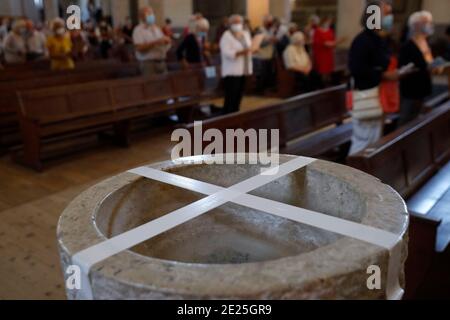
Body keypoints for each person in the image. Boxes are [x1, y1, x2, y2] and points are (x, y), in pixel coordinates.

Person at [348, 0, 398, 155]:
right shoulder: (363, 40)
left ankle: (364, 176)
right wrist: (382, 74)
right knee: (363, 142)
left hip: (377, 96)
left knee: (373, 142)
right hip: (366, 96)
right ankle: (350, 176)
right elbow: (357, 69)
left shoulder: (377, 39)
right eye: (386, 14)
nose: (389, 18)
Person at [398, 11, 443, 126]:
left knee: (416, 122)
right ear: (417, 25)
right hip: (410, 91)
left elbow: (429, 63)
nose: (431, 25)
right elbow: (403, 69)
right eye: (427, 22)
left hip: (423, 89)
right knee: (405, 122)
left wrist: (436, 67)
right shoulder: (407, 46)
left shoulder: (425, 42)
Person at [220, 14, 253, 114]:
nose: (237, 24)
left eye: (239, 22)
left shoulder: (245, 34)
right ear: (230, 24)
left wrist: (253, 49)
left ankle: (236, 115)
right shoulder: (226, 35)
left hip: (243, 69)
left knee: (239, 95)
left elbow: (249, 46)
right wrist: (242, 52)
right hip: (231, 71)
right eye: (235, 22)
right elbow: (227, 52)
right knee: (231, 96)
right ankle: (227, 118)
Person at [133, 6, 171, 76]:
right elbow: (139, 48)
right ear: (141, 17)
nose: (151, 15)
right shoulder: (138, 30)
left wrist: (167, 42)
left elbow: (163, 43)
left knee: (165, 85)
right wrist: (156, 42)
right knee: (151, 86)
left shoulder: (157, 28)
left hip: (161, 62)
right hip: (149, 64)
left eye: (152, 13)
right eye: (149, 13)